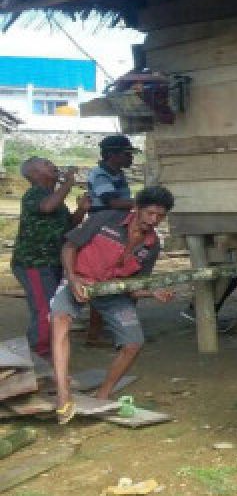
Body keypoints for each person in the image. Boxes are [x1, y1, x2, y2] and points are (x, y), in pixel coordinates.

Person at [48, 186, 175, 423]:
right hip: (78, 280)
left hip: (113, 291)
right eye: (149, 213)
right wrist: (73, 278)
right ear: (136, 209)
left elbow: (134, 286)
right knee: (60, 321)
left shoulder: (152, 245)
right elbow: (69, 246)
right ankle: (63, 394)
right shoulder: (104, 219)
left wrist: (152, 292)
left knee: (134, 343)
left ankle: (103, 394)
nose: (154, 220)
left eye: (160, 216)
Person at [11, 158, 89, 359]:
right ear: (35, 175)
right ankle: (39, 352)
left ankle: (43, 349)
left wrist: (81, 209)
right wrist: (68, 183)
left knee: (50, 305)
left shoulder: (53, 197)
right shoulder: (34, 194)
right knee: (44, 307)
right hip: (34, 263)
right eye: (46, 164)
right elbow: (47, 208)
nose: (53, 165)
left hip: (51, 262)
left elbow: (68, 226)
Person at [82, 134, 139, 347]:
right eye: (127, 154)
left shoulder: (117, 174)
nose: (130, 158)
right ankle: (94, 334)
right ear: (112, 155)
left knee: (119, 278)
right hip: (102, 233)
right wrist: (143, 203)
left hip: (115, 230)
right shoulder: (100, 174)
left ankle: (113, 329)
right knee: (102, 280)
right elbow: (113, 202)